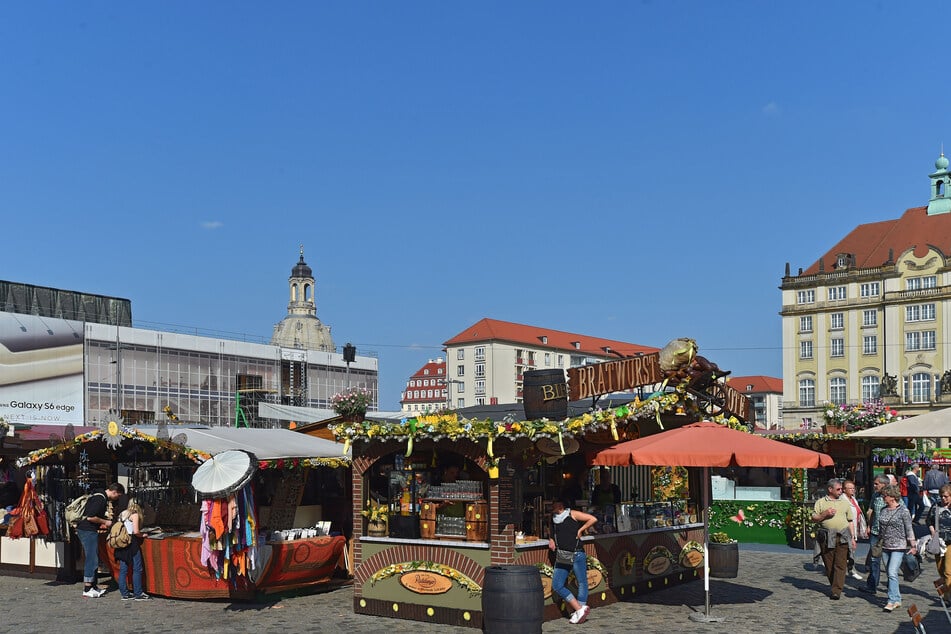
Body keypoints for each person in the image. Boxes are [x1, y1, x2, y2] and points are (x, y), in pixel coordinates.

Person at [548, 498, 597, 624]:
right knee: (557, 585)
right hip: (563, 554)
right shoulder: (552, 518)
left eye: (555, 504)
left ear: (561, 505)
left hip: (576, 553)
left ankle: (579, 611)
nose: (553, 507)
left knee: (582, 582)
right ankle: (579, 609)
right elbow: (553, 533)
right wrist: (552, 539)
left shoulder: (572, 514)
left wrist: (581, 530)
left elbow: (592, 519)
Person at [76, 482, 124, 598]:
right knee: (91, 558)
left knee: (94, 557)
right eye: (118, 496)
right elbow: (91, 517)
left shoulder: (98, 495)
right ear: (114, 492)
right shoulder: (100, 499)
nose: (117, 499)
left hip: (87, 529)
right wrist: (105, 522)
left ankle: (93, 586)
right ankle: (87, 588)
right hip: (88, 530)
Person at [811, 478, 855, 600]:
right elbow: (814, 518)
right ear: (830, 489)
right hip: (826, 536)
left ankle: (836, 591)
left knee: (840, 564)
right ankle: (834, 584)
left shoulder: (845, 503)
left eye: (841, 489)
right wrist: (824, 514)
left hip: (843, 535)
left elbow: (850, 521)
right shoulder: (820, 502)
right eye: (838, 489)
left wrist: (853, 538)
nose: (841, 491)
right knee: (829, 564)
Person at [877, 484, 917, 612]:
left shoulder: (903, 511)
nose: (883, 497)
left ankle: (891, 600)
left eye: (885, 495)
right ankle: (897, 598)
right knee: (890, 574)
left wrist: (913, 544)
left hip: (899, 546)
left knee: (892, 571)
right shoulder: (883, 510)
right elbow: (881, 528)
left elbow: (909, 528)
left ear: (892, 497)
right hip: (885, 545)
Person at [113, 496, 150, 601]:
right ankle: (138, 593)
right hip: (131, 542)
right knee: (137, 568)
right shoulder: (135, 515)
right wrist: (143, 535)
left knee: (123, 569)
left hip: (121, 542)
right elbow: (136, 531)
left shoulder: (122, 513)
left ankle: (124, 593)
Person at [861, 475, 889, 596]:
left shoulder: (891, 497)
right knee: (874, 560)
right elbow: (871, 511)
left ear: (884, 484)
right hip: (875, 532)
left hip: (888, 534)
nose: (874, 485)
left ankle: (892, 587)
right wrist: (869, 525)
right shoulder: (875, 496)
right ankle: (872, 585)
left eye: (877, 483)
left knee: (888, 562)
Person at [926, 483, 951, 594]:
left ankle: (947, 596)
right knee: (940, 569)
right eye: (941, 496)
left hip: (950, 542)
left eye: (946, 496)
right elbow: (929, 520)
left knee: (947, 571)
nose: (943, 498)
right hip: (939, 541)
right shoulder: (936, 506)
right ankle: (946, 589)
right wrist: (932, 530)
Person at [842, 480, 867, 580]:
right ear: (844, 490)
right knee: (849, 549)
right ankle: (851, 570)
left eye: (853, 488)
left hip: (854, 527)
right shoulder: (843, 500)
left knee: (850, 550)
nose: (853, 490)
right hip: (846, 529)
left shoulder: (853, 499)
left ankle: (848, 568)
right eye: (850, 488)